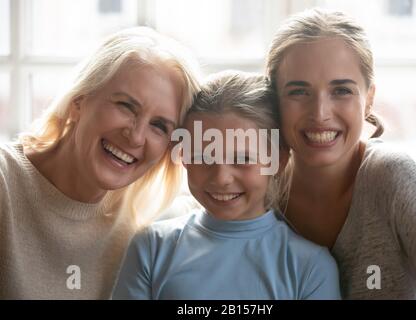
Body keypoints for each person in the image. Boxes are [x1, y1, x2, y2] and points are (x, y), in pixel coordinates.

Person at [0, 27, 200, 299]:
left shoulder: (151, 224)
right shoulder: (5, 184)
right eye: (126, 106)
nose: (136, 136)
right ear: (79, 100)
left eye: (159, 126)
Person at [266, 8, 416, 299]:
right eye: (299, 92)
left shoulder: (392, 177)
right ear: (274, 101)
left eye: (341, 91)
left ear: (369, 100)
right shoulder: (258, 191)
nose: (320, 113)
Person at [112, 70, 341, 300]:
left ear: (278, 160)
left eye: (242, 160)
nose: (221, 178)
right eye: (203, 157)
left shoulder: (311, 268)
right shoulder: (152, 248)